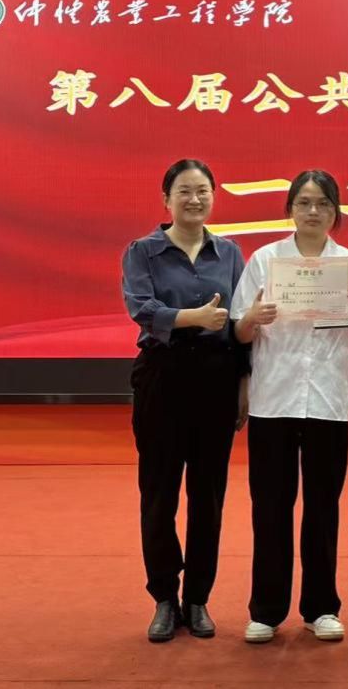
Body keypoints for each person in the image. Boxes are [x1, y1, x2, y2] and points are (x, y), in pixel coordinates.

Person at [231, 170, 348, 644]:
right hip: (274, 401)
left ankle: (321, 607)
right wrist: (253, 317)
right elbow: (239, 330)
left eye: (323, 203)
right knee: (270, 507)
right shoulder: (266, 260)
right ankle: (266, 610)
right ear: (290, 209)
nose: (313, 211)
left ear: (335, 212)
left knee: (322, 507)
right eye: (304, 202)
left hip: (327, 402)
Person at [121, 159, 250, 643]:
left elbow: (240, 324)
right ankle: (163, 597)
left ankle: (197, 598)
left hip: (217, 379)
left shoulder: (230, 253)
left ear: (213, 196)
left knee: (208, 496)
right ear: (166, 199)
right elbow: (142, 308)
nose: (194, 199)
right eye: (184, 191)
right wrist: (193, 318)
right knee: (158, 494)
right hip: (163, 376)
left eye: (202, 191)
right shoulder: (143, 251)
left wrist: (244, 383)